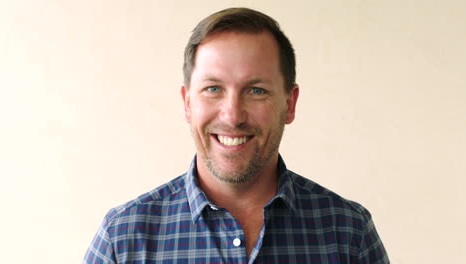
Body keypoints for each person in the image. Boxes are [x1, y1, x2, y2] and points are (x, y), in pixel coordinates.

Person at [83, 7, 389, 264]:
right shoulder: (122, 241)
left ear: (290, 103)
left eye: (256, 91)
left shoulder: (350, 234)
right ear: (188, 103)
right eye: (213, 89)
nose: (232, 115)